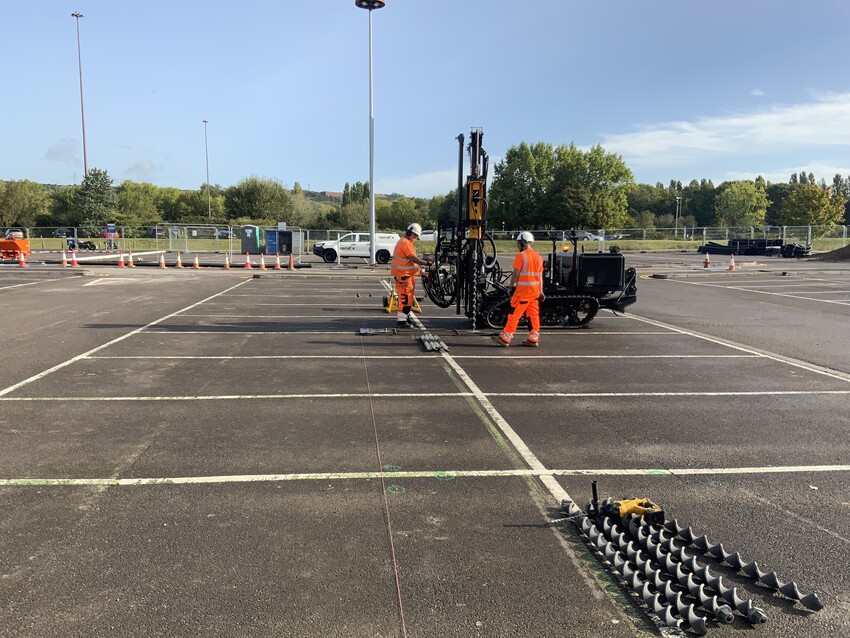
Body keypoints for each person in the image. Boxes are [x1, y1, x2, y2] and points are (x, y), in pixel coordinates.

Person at [492, 231, 544, 347]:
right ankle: (533, 338)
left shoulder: (521, 256)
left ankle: (506, 337)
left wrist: (510, 286)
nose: (517, 246)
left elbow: (516, 274)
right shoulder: (538, 257)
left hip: (523, 293)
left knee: (514, 314)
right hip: (535, 292)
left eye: (518, 244)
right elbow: (540, 277)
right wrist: (541, 291)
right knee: (533, 315)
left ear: (523, 243)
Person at [391, 223, 431, 329]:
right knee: (404, 300)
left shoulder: (406, 242)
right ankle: (401, 320)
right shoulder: (405, 243)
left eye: (416, 236)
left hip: (406, 276)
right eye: (415, 235)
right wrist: (426, 263)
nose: (415, 238)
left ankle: (405, 317)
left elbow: (409, 264)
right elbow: (413, 259)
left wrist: (420, 272)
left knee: (407, 300)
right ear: (409, 232)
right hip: (403, 277)